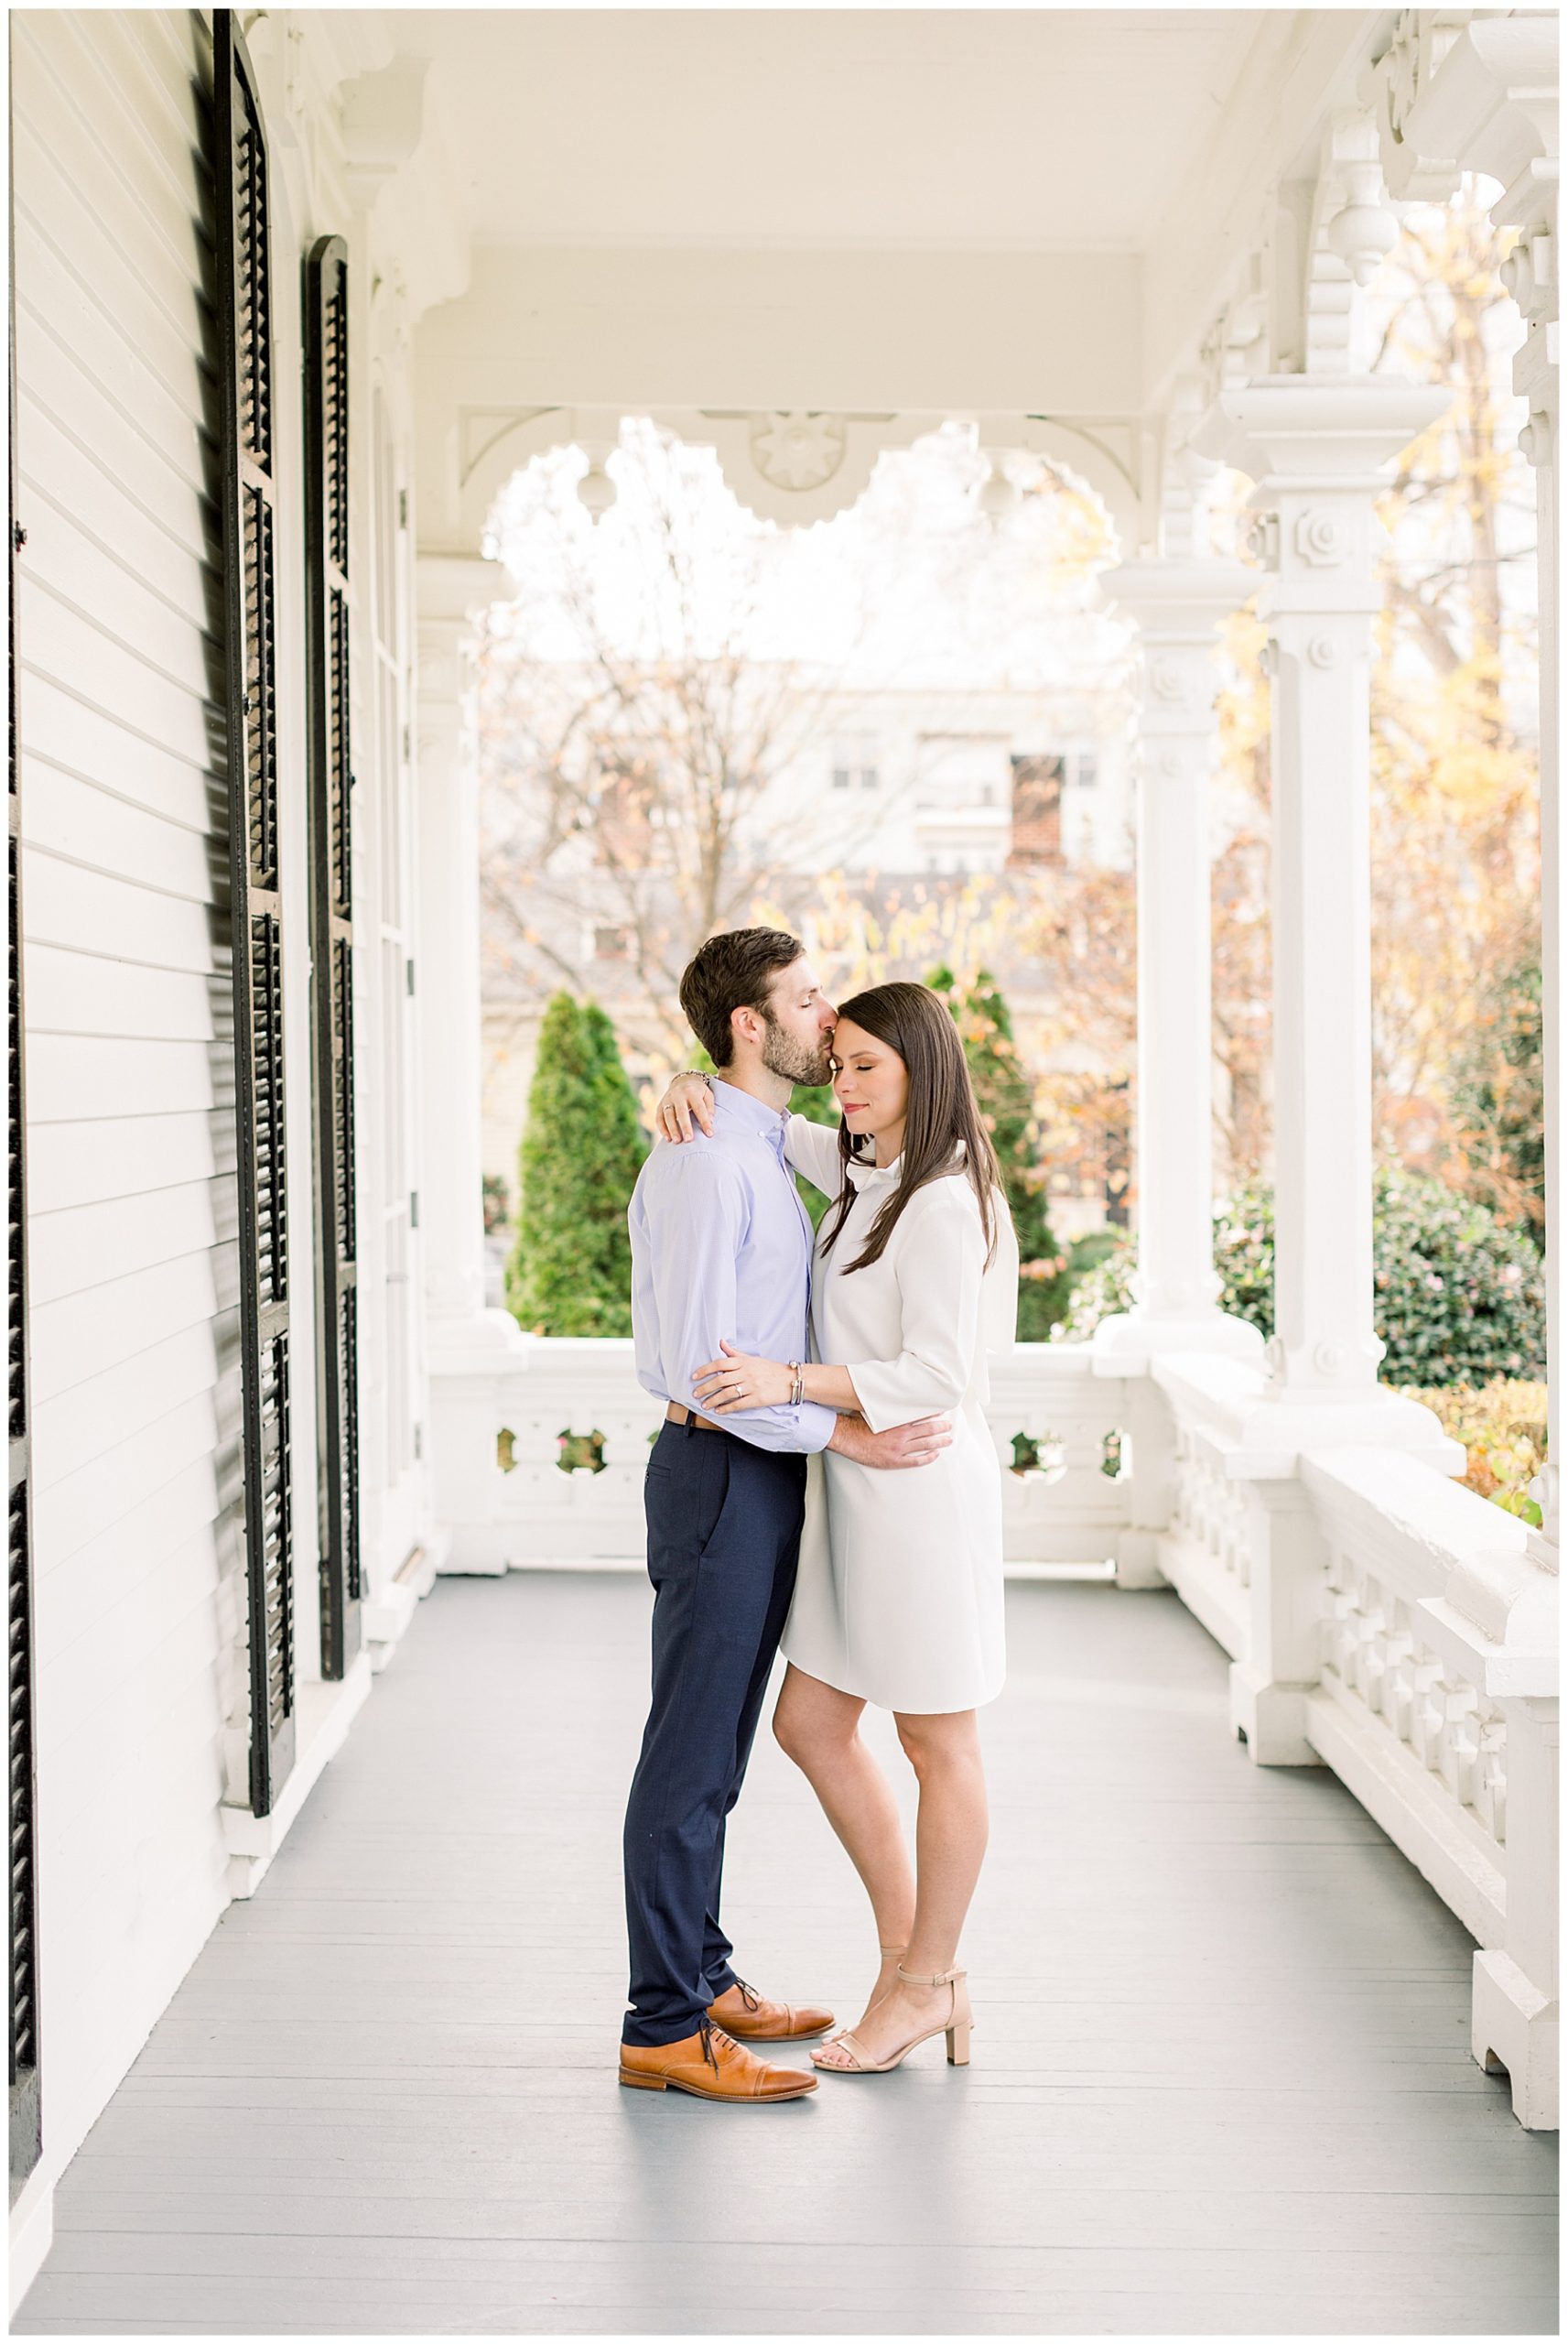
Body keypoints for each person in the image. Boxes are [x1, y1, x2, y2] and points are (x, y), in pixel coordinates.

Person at [655, 979, 1017, 2078]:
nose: (847, 1085)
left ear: (922, 1068)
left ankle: (920, 1985)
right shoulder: (864, 1167)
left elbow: (938, 1374)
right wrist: (685, 1082)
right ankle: (920, 1966)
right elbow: (757, 1118)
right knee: (811, 1725)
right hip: (849, 1497)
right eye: (841, 1062)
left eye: (869, 1067)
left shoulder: (945, 1198)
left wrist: (789, 1377)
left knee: (937, 1743)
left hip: (917, 1493)